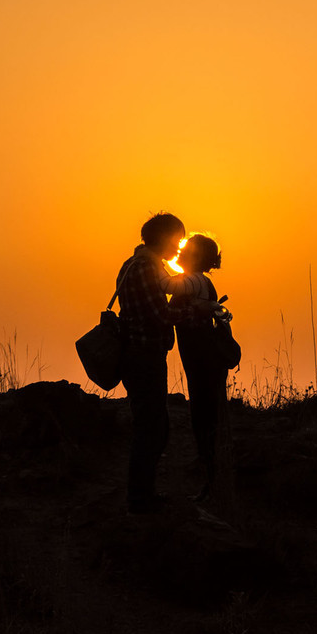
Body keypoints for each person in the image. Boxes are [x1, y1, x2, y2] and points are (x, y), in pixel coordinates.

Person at [116, 212, 187, 514]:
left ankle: (143, 494)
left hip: (139, 354)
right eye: (177, 240)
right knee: (152, 428)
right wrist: (190, 311)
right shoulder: (147, 268)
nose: (179, 247)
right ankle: (140, 499)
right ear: (163, 238)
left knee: (152, 425)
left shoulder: (134, 264)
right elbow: (158, 315)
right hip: (144, 355)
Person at [167, 233, 231, 497]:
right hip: (204, 357)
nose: (179, 253)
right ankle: (213, 476)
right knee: (208, 413)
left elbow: (166, 292)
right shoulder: (200, 282)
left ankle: (211, 480)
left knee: (204, 415)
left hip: (202, 357)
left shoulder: (192, 282)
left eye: (185, 250)